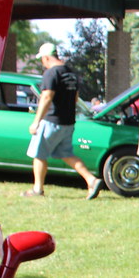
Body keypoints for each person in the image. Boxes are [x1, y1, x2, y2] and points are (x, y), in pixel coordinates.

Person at [23, 43, 103, 199]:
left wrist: (36, 121)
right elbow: (74, 98)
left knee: (39, 155)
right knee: (66, 154)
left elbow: (46, 97)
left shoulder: (51, 73)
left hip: (51, 120)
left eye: (42, 60)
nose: (42, 63)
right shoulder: (70, 73)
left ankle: (37, 190)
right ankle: (92, 180)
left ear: (46, 57)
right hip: (68, 122)